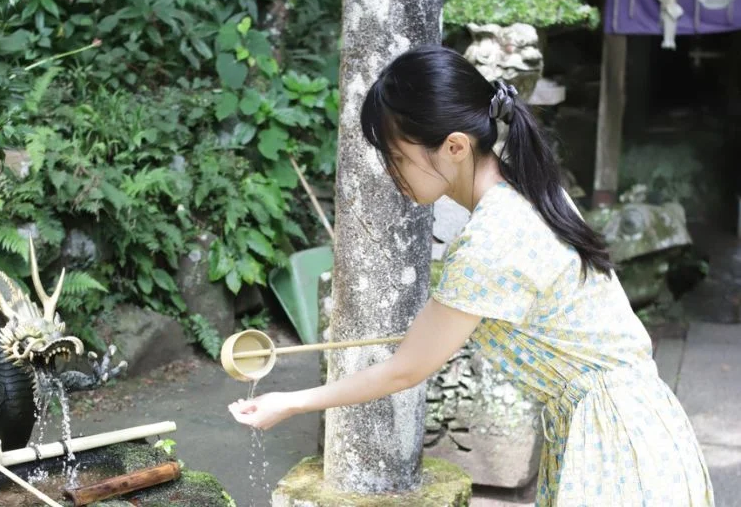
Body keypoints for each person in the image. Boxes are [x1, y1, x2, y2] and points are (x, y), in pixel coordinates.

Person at [227, 44, 714, 506]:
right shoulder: (531, 188)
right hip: (642, 424)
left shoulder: (491, 241)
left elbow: (407, 369)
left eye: (397, 156)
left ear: (455, 147)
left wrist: (289, 402)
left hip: (616, 445)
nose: (392, 171)